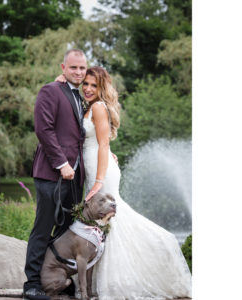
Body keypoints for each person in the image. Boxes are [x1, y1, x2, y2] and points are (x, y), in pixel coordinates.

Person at [58, 66, 192, 299]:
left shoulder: (98, 107)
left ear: (102, 88)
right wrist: (60, 80)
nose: (88, 89)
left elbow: (103, 144)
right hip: (94, 169)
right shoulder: (89, 106)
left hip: (101, 173)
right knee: (100, 224)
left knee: (111, 222)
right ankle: (99, 282)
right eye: (86, 84)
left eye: (94, 85)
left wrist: (99, 180)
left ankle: (120, 278)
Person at [23, 49, 87, 300]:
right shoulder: (51, 90)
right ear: (63, 67)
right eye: (73, 68)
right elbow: (44, 129)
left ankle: (56, 278)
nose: (78, 72)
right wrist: (61, 163)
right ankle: (32, 283)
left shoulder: (79, 96)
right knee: (43, 227)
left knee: (66, 230)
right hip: (52, 173)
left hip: (75, 177)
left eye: (82, 68)